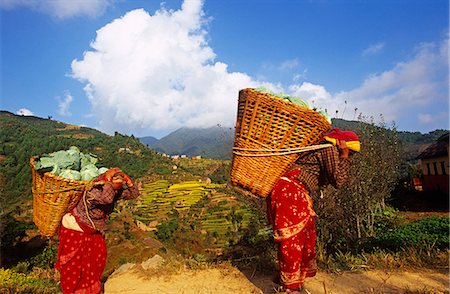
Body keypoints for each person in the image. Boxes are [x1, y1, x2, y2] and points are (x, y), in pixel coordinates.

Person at [267, 128, 360, 293]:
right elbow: (339, 180)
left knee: (305, 237)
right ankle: (290, 287)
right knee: (293, 240)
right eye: (350, 152)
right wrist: (344, 156)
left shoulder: (321, 148)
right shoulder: (328, 148)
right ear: (342, 144)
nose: (348, 156)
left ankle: (285, 280)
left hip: (292, 191)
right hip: (291, 192)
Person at [55, 167, 140, 294]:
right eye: (117, 182)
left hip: (92, 229)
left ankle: (90, 289)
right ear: (108, 181)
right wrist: (108, 179)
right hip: (76, 227)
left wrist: (128, 181)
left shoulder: (114, 191)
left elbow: (134, 194)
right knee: (73, 264)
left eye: (120, 183)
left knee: (96, 259)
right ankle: (72, 291)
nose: (119, 185)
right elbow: (107, 199)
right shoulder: (93, 191)